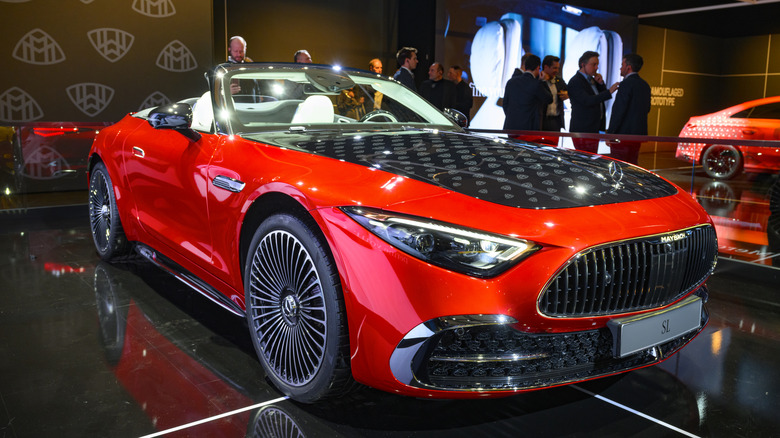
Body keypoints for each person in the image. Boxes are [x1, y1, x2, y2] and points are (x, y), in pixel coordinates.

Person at [567, 51, 619, 153]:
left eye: (597, 64)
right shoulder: (575, 81)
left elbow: (599, 98)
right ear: (583, 64)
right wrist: (609, 91)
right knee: (584, 158)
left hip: (593, 128)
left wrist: (601, 84)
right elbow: (587, 101)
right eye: (594, 64)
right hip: (582, 129)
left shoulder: (592, 80)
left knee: (591, 157)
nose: (596, 68)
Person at [607, 53, 652, 164]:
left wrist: (610, 133)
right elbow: (647, 109)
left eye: (622, 64)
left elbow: (619, 111)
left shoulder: (625, 84)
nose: (620, 68)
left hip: (622, 136)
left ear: (628, 67)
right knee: (632, 165)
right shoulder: (645, 85)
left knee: (619, 166)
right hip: (637, 136)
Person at [502, 54, 552, 133]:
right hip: (528, 129)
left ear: (525, 66)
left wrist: (512, 117)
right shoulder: (536, 84)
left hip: (510, 126)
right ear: (538, 68)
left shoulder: (511, 81)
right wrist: (544, 81)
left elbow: (505, 104)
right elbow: (549, 99)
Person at [540, 55, 568, 133]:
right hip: (541, 121)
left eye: (558, 68)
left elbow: (570, 90)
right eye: (554, 68)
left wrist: (567, 94)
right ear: (546, 67)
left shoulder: (559, 80)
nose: (557, 71)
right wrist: (542, 81)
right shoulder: (538, 80)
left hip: (556, 122)